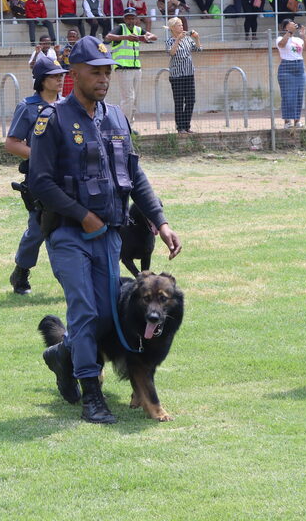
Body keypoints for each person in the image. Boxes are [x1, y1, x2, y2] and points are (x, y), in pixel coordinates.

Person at [28, 35, 181, 423]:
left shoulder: (115, 117)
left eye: (107, 71)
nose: (103, 78)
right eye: (95, 72)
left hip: (110, 235)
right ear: (74, 73)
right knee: (84, 310)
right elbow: (40, 181)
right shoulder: (53, 119)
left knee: (106, 316)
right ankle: (92, 395)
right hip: (69, 233)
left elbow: (134, 175)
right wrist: (82, 214)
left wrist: (160, 221)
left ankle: (62, 354)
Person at [4, 57, 68, 295]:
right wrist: (41, 156)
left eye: (61, 75)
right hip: (40, 178)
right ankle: (21, 271)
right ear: (42, 80)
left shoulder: (68, 104)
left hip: (67, 177)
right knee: (38, 229)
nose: (60, 79)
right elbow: (12, 143)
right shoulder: (28, 107)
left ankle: (72, 278)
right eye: (54, 76)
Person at [105, 7, 156, 123]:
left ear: (136, 19)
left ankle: (130, 125)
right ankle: (123, 124)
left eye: (132, 18)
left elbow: (154, 37)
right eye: (128, 18)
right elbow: (108, 37)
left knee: (135, 99)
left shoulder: (138, 30)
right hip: (123, 68)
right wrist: (126, 37)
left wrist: (146, 37)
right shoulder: (120, 28)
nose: (130, 20)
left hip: (136, 68)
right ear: (124, 19)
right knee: (128, 98)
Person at [165, 17, 200, 133]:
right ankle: (180, 127)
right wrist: (177, 40)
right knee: (179, 101)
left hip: (189, 73)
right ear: (173, 28)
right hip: (177, 76)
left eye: (181, 25)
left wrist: (197, 38)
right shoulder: (169, 41)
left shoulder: (187, 39)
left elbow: (198, 49)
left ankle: (187, 125)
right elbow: (171, 53)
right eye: (179, 25)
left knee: (191, 100)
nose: (182, 27)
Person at [276, 20, 306, 128]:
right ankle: (287, 122)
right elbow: (281, 45)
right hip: (287, 67)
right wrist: (289, 32)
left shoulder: (298, 40)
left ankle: (297, 120)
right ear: (286, 27)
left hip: (299, 67)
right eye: (291, 24)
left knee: (299, 95)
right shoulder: (280, 38)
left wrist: (304, 36)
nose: (294, 25)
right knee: (288, 96)